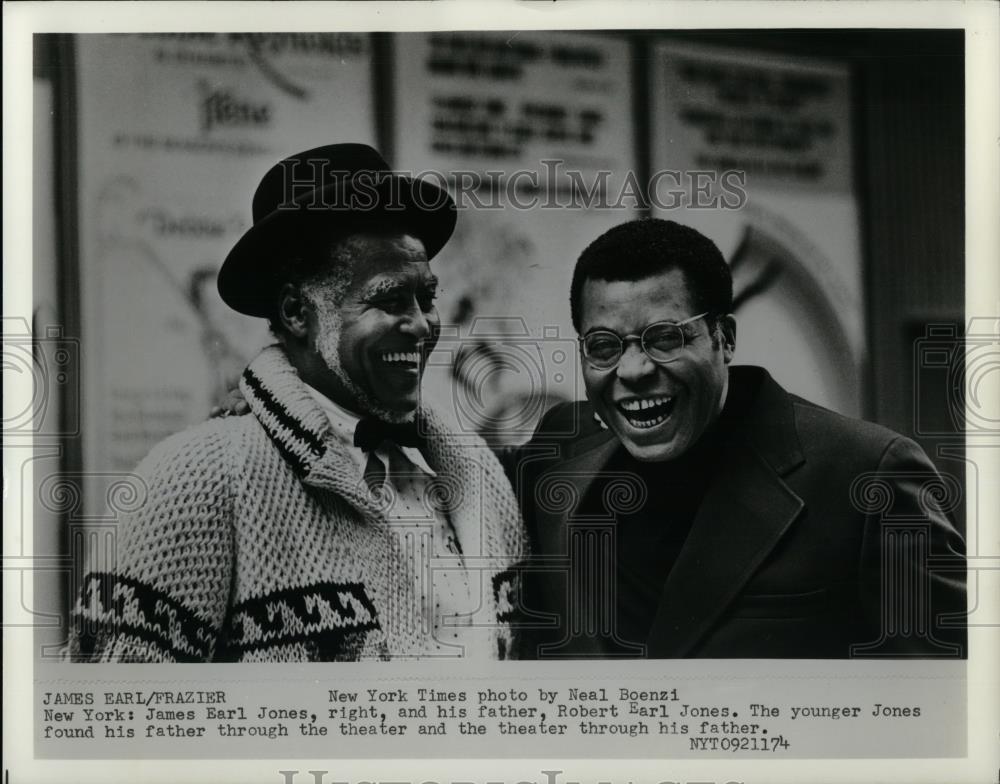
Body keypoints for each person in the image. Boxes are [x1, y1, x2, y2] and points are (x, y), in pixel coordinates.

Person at [69, 144, 524, 662]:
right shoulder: (195, 479)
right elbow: (116, 720)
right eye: (389, 300)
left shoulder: (477, 471)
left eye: (427, 299)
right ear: (296, 312)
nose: (421, 325)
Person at [509, 218, 966, 658]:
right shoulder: (560, 448)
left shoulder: (868, 474)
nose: (633, 371)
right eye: (604, 345)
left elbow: (947, 697)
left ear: (724, 338)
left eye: (665, 338)